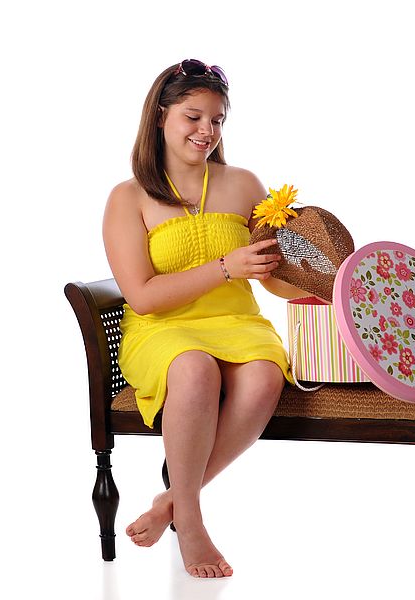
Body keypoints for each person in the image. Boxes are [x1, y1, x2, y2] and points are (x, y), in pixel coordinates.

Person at [102, 59, 307, 578]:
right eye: (193, 117)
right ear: (160, 117)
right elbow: (143, 297)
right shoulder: (128, 198)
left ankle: (169, 500)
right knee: (194, 369)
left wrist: (318, 292)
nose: (206, 131)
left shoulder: (244, 184)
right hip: (164, 328)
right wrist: (224, 266)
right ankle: (190, 519)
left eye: (217, 120)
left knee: (264, 376)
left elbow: (269, 274)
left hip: (237, 322)